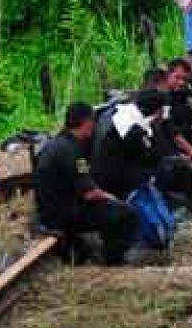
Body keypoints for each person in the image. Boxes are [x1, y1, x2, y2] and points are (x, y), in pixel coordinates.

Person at [35, 103, 138, 265]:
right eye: (93, 121)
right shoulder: (72, 151)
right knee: (124, 213)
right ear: (87, 122)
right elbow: (89, 193)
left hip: (49, 212)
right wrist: (113, 199)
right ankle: (112, 261)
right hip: (63, 215)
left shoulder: (58, 143)